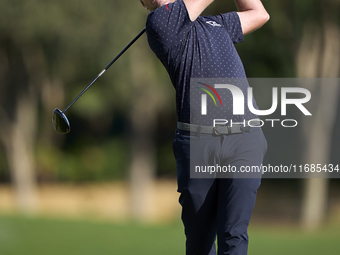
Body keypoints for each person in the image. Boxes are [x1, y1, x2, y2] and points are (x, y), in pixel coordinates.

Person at [140, 0, 269, 254]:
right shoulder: (159, 22)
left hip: (245, 139)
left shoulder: (215, 23)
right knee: (200, 242)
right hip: (197, 143)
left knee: (234, 236)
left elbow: (259, 13)